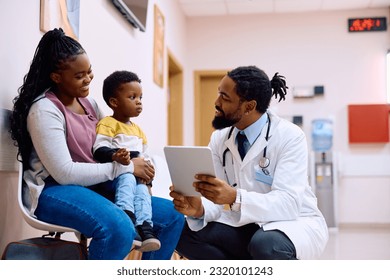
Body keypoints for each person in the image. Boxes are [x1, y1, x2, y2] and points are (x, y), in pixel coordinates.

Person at [9, 28, 184, 260]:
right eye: (79, 76)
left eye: (89, 72)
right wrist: (129, 167)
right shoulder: (44, 110)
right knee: (119, 227)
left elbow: (114, 140)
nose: (88, 79)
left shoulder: (89, 103)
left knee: (173, 215)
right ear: (56, 77)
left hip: (95, 185)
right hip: (53, 190)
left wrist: (142, 171)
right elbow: (64, 173)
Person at [170, 66, 329, 260]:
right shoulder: (220, 138)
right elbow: (216, 199)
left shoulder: (290, 136)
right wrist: (199, 209)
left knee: (265, 245)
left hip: (292, 223)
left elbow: (288, 204)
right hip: (246, 223)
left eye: (225, 97)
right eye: (218, 93)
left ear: (249, 107)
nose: (216, 102)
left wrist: (235, 197)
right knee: (180, 231)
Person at [92, 70, 160, 252]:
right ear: (114, 102)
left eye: (140, 97)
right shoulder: (108, 123)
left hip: (136, 174)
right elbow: (98, 149)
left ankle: (146, 228)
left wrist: (149, 177)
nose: (139, 101)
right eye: (132, 97)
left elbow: (145, 158)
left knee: (143, 192)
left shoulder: (138, 131)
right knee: (128, 178)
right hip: (117, 174)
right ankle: (126, 218)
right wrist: (115, 155)